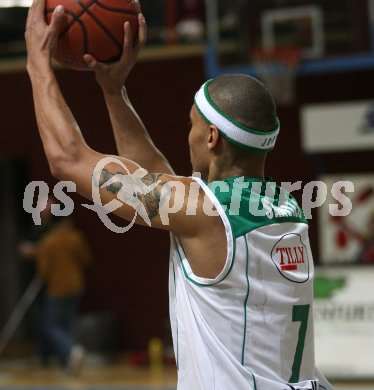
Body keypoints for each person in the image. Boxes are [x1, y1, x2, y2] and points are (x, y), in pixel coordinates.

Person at [25, 1, 335, 388]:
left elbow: (67, 159)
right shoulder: (285, 206)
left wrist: (37, 62)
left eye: (191, 124)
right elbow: (156, 178)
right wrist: (114, 92)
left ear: (211, 137)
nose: (187, 136)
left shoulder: (205, 212)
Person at [36, 215, 92, 374]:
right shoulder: (76, 237)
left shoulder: (48, 241)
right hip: (76, 285)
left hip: (57, 288)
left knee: (51, 325)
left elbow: (44, 271)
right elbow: (86, 258)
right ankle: (67, 362)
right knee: (68, 324)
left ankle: (71, 349)